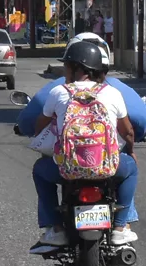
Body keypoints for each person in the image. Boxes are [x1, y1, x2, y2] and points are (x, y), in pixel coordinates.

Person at [28, 40, 139, 252]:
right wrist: (131, 151)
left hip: (67, 169)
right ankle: (120, 226)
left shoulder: (59, 92)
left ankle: (56, 228)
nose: (65, 70)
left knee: (40, 170)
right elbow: (128, 132)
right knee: (130, 168)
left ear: (78, 68)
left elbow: (40, 126)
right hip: (106, 168)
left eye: (67, 65)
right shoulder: (112, 93)